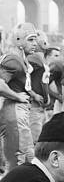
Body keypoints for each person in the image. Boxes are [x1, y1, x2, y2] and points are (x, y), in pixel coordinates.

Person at [0, 23, 38, 173]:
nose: (35, 44)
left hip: (19, 113)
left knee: (28, 157)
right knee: (17, 161)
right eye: (30, 39)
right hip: (14, 112)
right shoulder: (13, 59)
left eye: (35, 39)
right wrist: (18, 97)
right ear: (18, 40)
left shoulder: (20, 59)